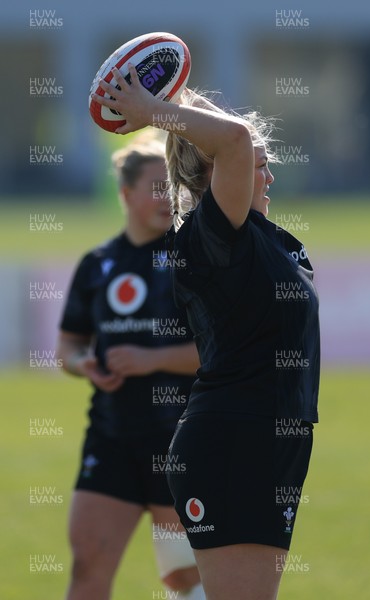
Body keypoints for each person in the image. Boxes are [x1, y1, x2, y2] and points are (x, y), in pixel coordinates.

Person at [93, 65, 320, 600]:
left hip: (269, 441)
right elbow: (235, 140)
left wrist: (176, 99)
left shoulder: (266, 240)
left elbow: (233, 140)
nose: (267, 176)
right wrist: (151, 113)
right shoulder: (214, 237)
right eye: (257, 167)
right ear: (216, 175)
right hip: (234, 442)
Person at [57, 130, 205, 600]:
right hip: (111, 437)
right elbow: (68, 347)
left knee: (183, 578)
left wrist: (151, 358)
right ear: (125, 194)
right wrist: (86, 365)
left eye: (174, 187)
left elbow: (221, 353)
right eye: (156, 187)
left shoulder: (194, 258)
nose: (170, 197)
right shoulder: (97, 264)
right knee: (87, 567)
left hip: (180, 440)